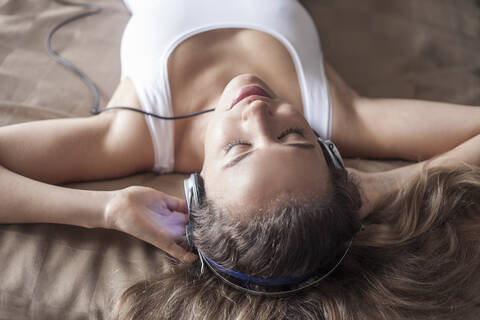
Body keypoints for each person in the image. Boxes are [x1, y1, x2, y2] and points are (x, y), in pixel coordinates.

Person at [0, 0, 479, 319]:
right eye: (294, 135)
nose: (256, 113)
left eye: (238, 148)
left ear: (194, 189)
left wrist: (105, 210)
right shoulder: (336, 114)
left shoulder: (136, 134)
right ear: (331, 155)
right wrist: (392, 184)